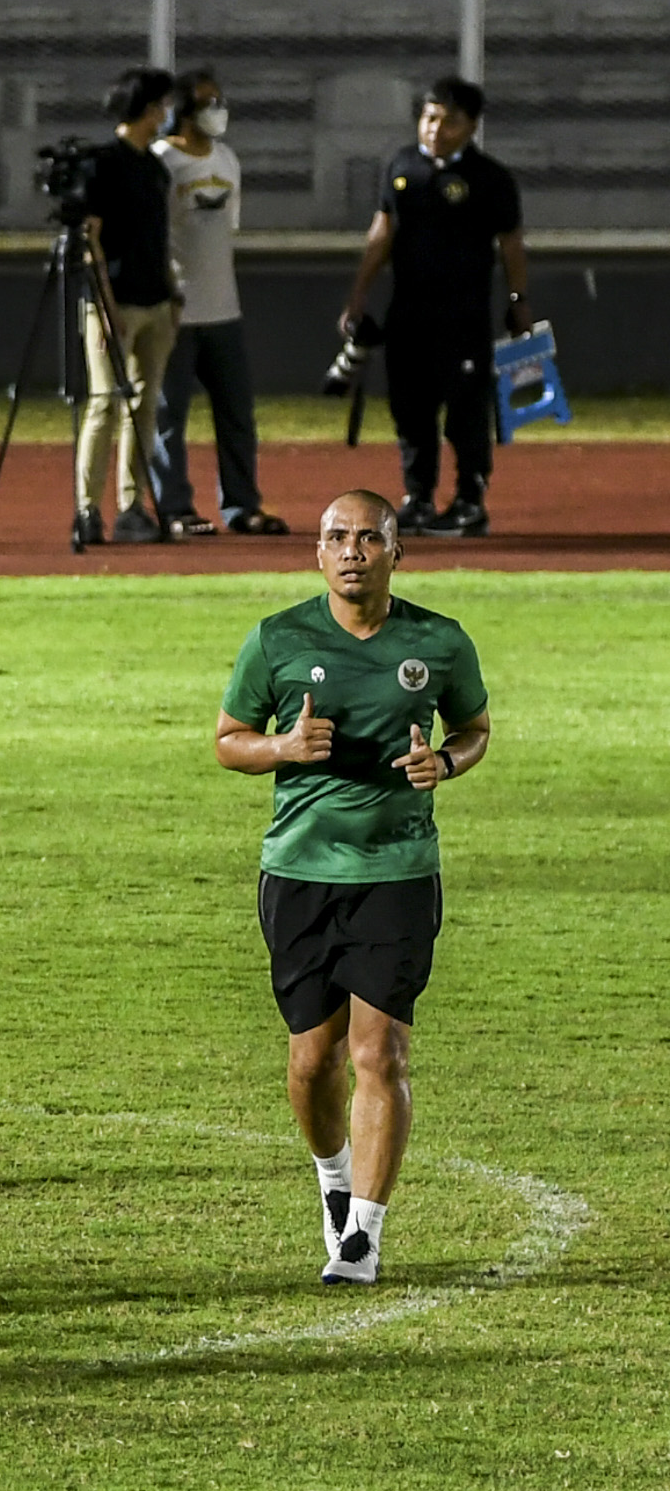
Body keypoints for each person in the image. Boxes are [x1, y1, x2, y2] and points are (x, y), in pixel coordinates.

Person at [211, 491, 490, 1286]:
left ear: (398, 551)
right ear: (318, 552)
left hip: (398, 871)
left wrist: (448, 762)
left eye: (371, 536)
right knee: (312, 1060)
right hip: (299, 871)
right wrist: (283, 746)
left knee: (382, 1052)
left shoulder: (438, 642)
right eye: (338, 537)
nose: (354, 550)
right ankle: (333, 1181)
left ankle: (363, 1236)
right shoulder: (277, 640)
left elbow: (473, 728)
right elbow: (228, 742)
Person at [338, 75, 529, 539]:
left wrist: (518, 300)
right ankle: (418, 496)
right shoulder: (402, 167)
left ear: (471, 126)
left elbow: (511, 245)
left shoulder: (490, 179)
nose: (435, 129)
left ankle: (469, 500)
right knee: (410, 409)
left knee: (465, 409)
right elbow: (381, 233)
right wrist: (359, 294)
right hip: (409, 314)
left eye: (448, 121)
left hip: (463, 318)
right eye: (429, 118)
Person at [155, 70, 287, 541]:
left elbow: (225, 228)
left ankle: (241, 504)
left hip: (223, 309)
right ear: (183, 113)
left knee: (236, 414)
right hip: (176, 311)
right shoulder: (162, 161)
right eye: (207, 103)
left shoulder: (227, 160)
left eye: (219, 100)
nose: (218, 110)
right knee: (168, 417)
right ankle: (175, 507)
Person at [73, 65, 182, 549]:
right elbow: (89, 237)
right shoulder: (104, 163)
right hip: (117, 302)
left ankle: (131, 504)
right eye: (161, 104)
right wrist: (103, 302)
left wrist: (171, 293)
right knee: (104, 405)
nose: (167, 113)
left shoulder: (153, 166)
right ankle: (87, 507)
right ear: (145, 108)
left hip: (155, 301)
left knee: (144, 409)